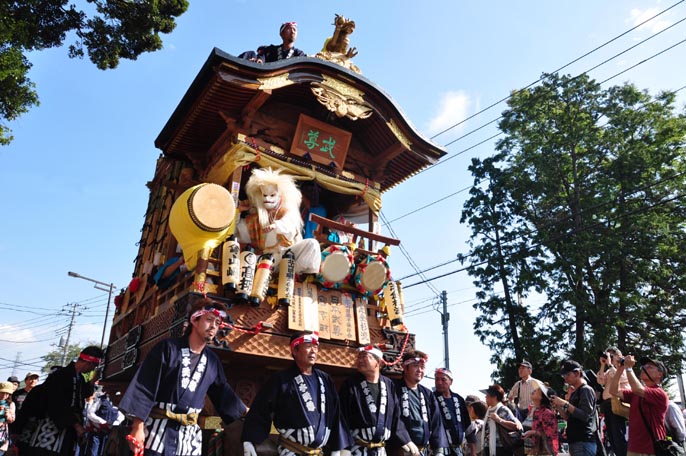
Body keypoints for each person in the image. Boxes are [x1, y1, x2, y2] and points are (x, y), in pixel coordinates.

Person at [119, 298, 247, 456]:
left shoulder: (212, 361)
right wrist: (137, 427)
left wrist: (244, 410)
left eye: (218, 322)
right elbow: (145, 387)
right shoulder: (168, 349)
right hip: (157, 433)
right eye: (209, 320)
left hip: (189, 439)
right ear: (194, 320)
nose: (214, 326)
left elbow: (222, 392)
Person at [242, 332, 351, 456]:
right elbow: (260, 410)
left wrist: (336, 448)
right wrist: (249, 440)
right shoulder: (281, 379)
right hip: (290, 451)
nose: (313, 351)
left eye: (315, 347)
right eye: (308, 346)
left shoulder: (325, 379)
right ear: (295, 350)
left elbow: (335, 414)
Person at [17, 345, 104, 456]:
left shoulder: (80, 378)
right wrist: (77, 425)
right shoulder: (60, 376)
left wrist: (92, 382)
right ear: (88, 363)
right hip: (50, 431)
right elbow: (57, 403)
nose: (93, 369)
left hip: (68, 431)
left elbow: (85, 395)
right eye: (94, 366)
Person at [339, 345, 417, 456]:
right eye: (359, 357)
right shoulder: (351, 384)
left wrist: (406, 439)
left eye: (365, 356)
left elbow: (396, 417)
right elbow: (342, 418)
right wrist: (344, 447)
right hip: (357, 451)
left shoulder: (389, 385)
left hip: (380, 451)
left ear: (378, 362)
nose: (359, 360)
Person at [608, 355, 669, 455]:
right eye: (643, 367)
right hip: (633, 448)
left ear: (660, 374)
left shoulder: (660, 393)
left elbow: (638, 389)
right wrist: (620, 370)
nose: (644, 368)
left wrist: (628, 368)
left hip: (651, 449)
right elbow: (614, 391)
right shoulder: (636, 394)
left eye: (649, 367)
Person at [393, 350, 448, 456]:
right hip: (399, 450)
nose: (420, 370)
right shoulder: (393, 388)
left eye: (422, 367)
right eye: (416, 366)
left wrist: (439, 451)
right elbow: (392, 419)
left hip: (423, 451)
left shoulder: (427, 394)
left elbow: (436, 423)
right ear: (405, 367)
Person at [552, 360, 597, 456]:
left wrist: (564, 403)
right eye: (563, 376)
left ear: (577, 373)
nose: (565, 378)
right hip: (575, 441)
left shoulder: (586, 390)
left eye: (567, 375)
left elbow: (585, 415)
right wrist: (558, 406)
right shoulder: (575, 392)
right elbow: (568, 417)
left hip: (584, 441)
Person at [596, 347, 628, 456]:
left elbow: (620, 378)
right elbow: (600, 380)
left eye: (611, 356)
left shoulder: (625, 367)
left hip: (616, 402)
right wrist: (603, 365)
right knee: (611, 435)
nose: (609, 358)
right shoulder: (610, 369)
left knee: (618, 434)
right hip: (607, 404)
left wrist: (610, 364)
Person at [434, 368, 471, 455]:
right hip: (439, 449)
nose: (439, 382)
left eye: (443, 379)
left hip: (458, 449)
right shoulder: (431, 398)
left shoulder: (459, 399)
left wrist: (473, 450)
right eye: (437, 379)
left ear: (451, 381)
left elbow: (467, 425)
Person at [480, 384, 522, 456]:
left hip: (501, 448)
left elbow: (516, 426)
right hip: (489, 448)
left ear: (495, 397)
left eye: (488, 395)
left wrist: (498, 419)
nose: (485, 397)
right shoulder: (489, 410)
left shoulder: (503, 409)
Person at [238, 22, 306, 63]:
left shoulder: (299, 53)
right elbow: (262, 57)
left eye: (295, 29)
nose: (293, 31)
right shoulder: (271, 50)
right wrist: (259, 60)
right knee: (250, 54)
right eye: (289, 28)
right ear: (282, 34)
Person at [521, 385, 558, 456]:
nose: (534, 390)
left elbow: (551, 435)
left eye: (538, 390)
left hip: (544, 452)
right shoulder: (534, 411)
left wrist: (534, 432)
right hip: (533, 451)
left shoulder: (547, 413)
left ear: (543, 396)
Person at [0, 382, 16, 456]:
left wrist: (7, 414)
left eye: (7, 393)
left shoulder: (11, 404)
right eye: (2, 392)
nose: (4, 395)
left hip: (2, 434)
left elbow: (11, 420)